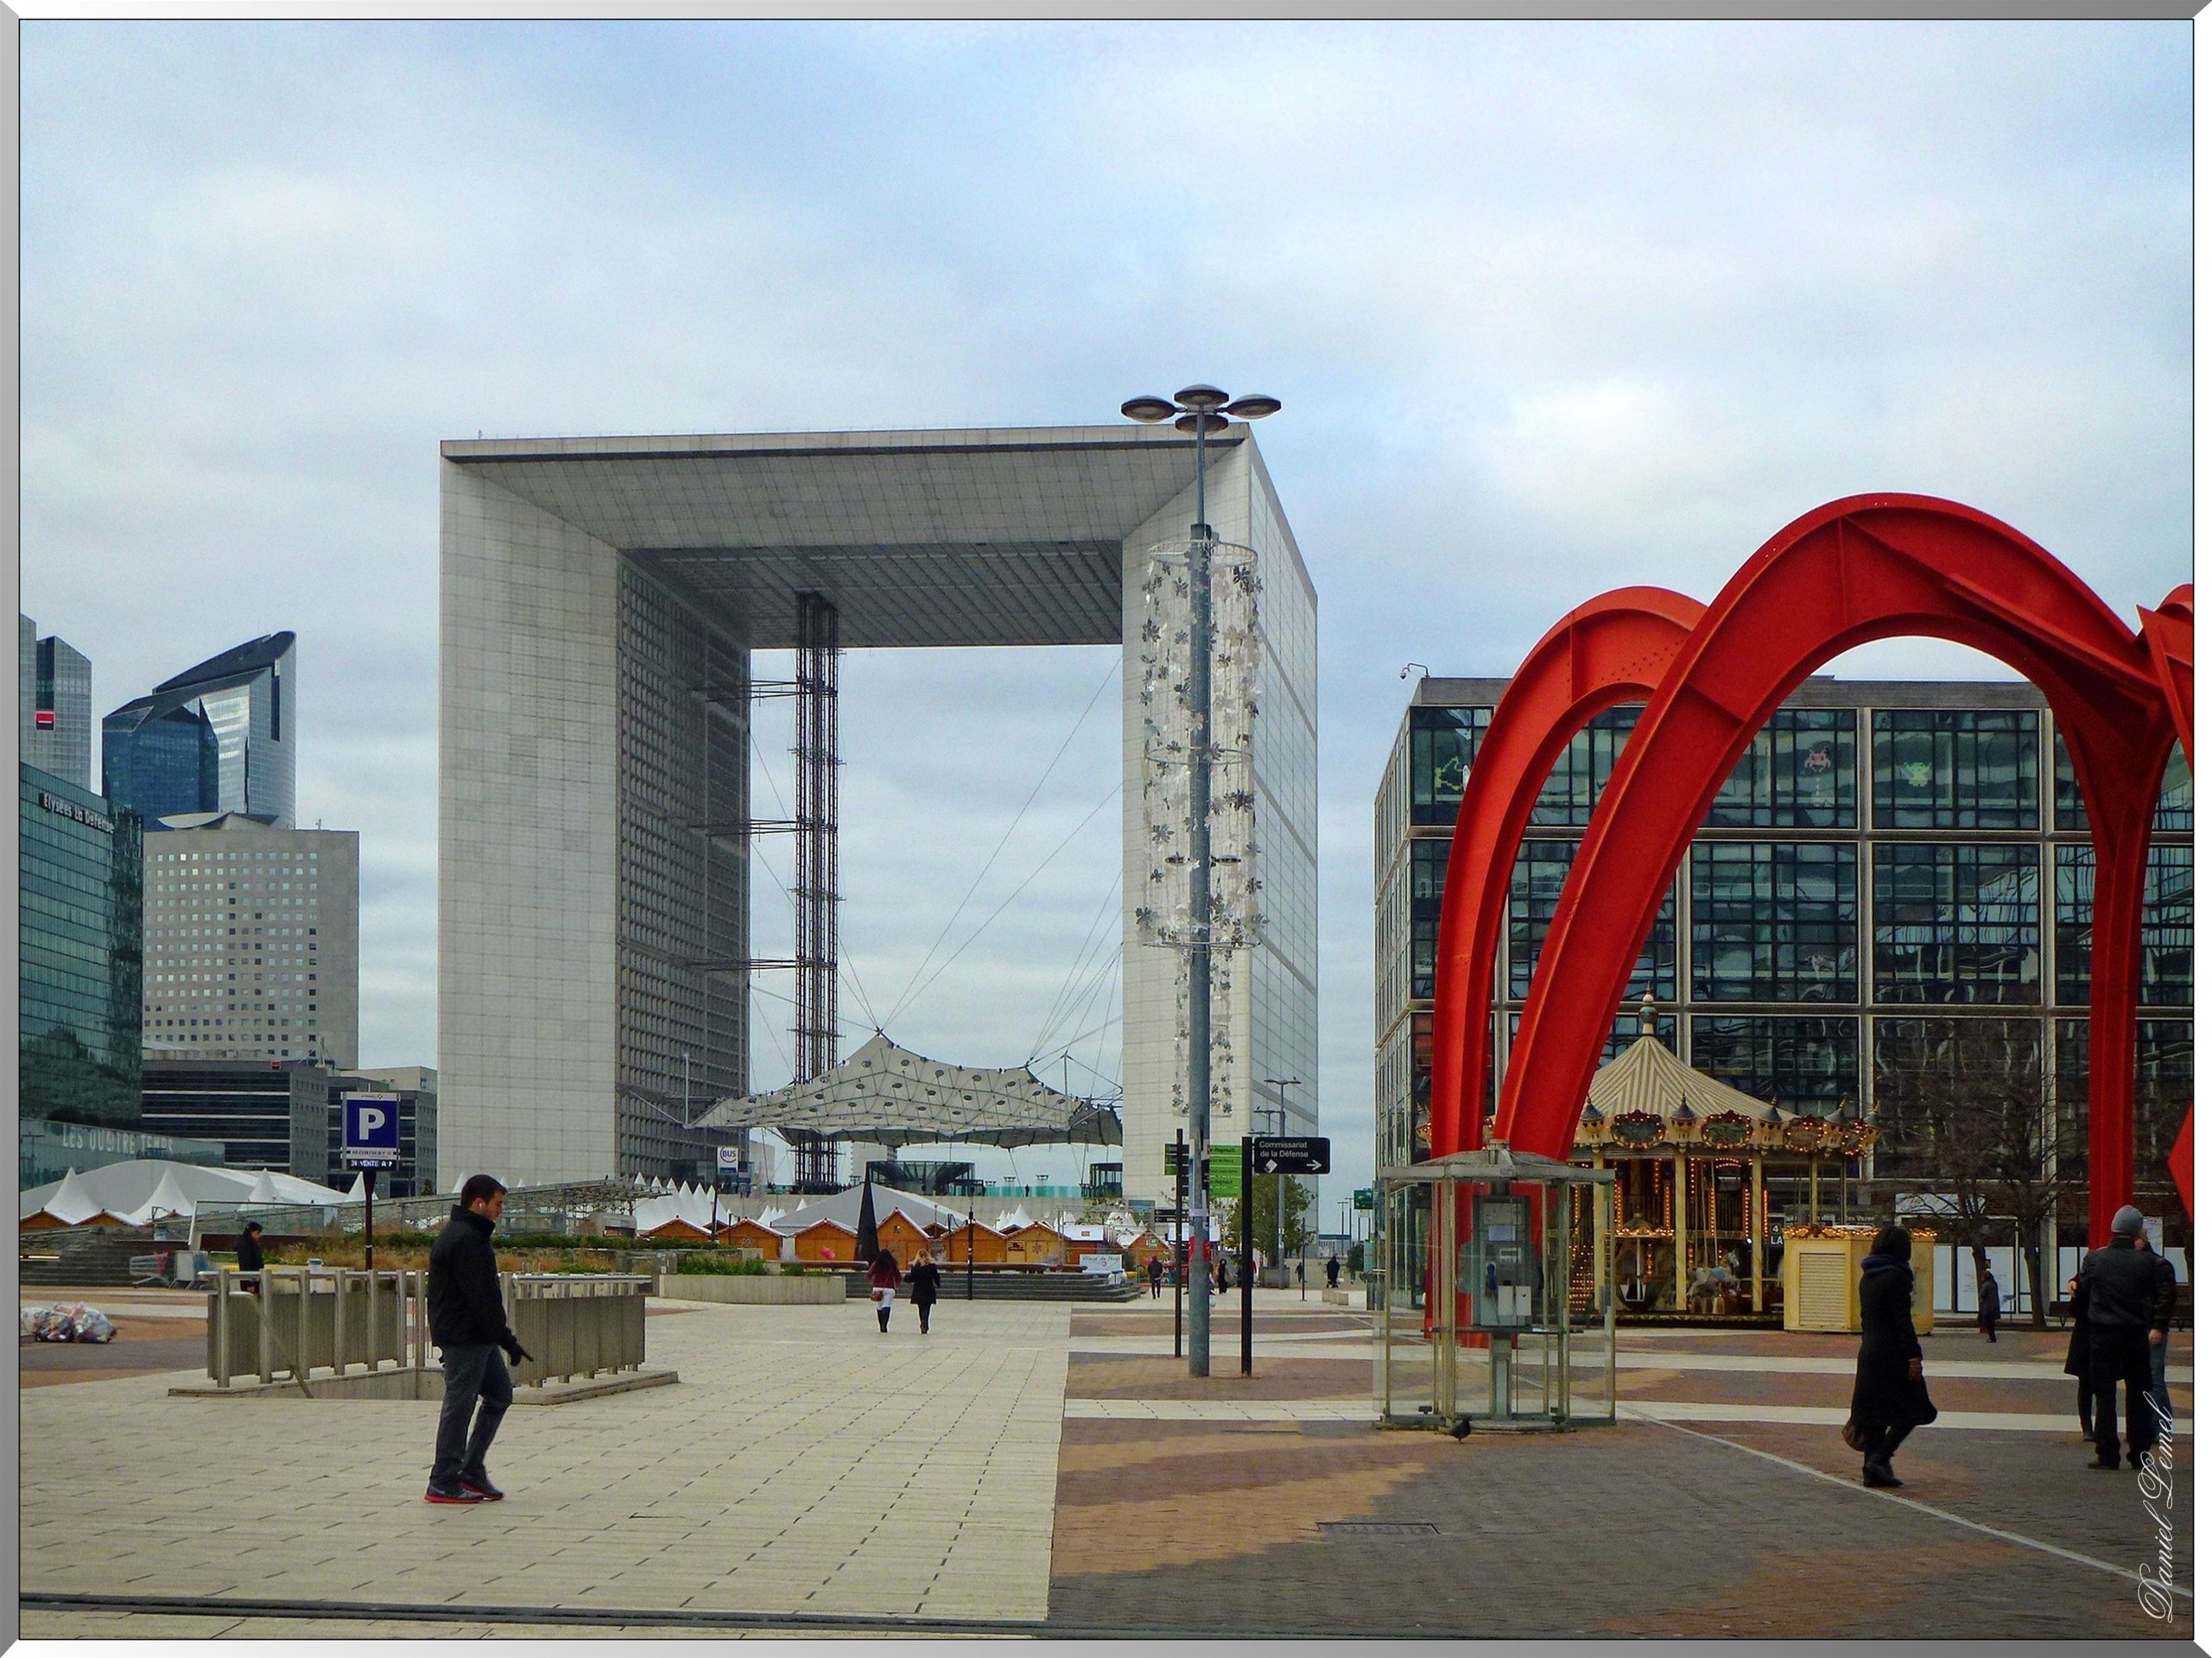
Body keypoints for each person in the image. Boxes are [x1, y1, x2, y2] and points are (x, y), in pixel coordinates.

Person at [426, 1174, 532, 1504]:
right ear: (479, 1203)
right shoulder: (465, 1239)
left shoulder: (471, 1235)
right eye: (498, 1204)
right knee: (460, 1403)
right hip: (463, 1337)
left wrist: (502, 1339)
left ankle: (470, 1471)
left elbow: (484, 1297)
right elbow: (481, 1298)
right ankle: (443, 1479)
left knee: (499, 1394)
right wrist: (507, 1339)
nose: (501, 1211)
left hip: (477, 1336)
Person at [2076, 1205, 2162, 1471]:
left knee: (2104, 1396)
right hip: (2136, 1334)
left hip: (2104, 1335)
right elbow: (2156, 1295)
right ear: (2137, 1231)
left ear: (2114, 1228)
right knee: (2138, 1394)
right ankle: (2139, 1452)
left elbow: (2083, 1292)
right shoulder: (2148, 1262)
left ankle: (2107, 1453)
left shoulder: (2096, 1260)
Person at [1849, 1223, 1935, 1489]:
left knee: (1873, 1415)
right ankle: (1881, 1458)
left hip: (1870, 1351)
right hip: (1893, 1353)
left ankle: (1871, 1471)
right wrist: (1913, 1355)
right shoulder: (1897, 1277)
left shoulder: (1868, 1276)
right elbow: (1902, 1322)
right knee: (1916, 1409)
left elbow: (1866, 1319)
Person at [2139, 1229, 2178, 1423]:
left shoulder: (2158, 1265)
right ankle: (2153, 1423)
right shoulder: (2157, 1264)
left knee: (2154, 1378)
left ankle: (2161, 1425)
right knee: (2149, 1378)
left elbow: (2167, 1299)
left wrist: (2158, 1326)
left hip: (2150, 1327)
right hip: (2142, 1326)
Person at [2062, 1273, 2095, 1441]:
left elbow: (2073, 1309)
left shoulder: (2085, 1277)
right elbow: (2074, 1309)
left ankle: (2089, 1427)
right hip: (2091, 1335)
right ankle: (2090, 1426)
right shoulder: (2084, 1278)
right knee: (2091, 1385)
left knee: (2087, 1386)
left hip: (2090, 1335)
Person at [906, 1252, 941, 1334]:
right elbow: (936, 1276)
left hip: (918, 1289)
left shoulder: (916, 1266)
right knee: (927, 1307)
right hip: (929, 1288)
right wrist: (938, 1284)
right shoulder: (931, 1266)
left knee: (920, 1307)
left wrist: (906, 1278)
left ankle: (922, 1321)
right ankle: (925, 1321)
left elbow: (912, 1278)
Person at [867, 1248, 901, 1333]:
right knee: (887, 1305)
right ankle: (884, 1325)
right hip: (889, 1288)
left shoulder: (876, 1264)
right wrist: (896, 1286)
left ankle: (881, 1325)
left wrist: (873, 1282)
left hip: (877, 1288)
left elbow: (869, 1274)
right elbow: (898, 1276)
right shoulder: (892, 1264)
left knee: (879, 1307)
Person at [235, 1221, 265, 1294]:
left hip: (255, 1279)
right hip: (250, 1281)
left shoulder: (252, 1244)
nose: (259, 1236)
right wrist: (249, 1284)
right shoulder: (245, 1246)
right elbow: (245, 1264)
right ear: (251, 1233)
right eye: (257, 1233)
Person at [1975, 1258, 2001, 1344]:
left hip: (1988, 1306)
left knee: (1987, 1322)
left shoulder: (1986, 1284)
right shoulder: (1994, 1283)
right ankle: (1992, 1337)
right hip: (1994, 1306)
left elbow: (1982, 1294)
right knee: (1991, 1323)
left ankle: (1992, 1337)